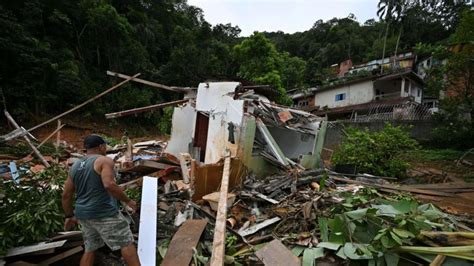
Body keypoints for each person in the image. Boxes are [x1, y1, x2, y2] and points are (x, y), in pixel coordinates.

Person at [62, 134, 140, 266]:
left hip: (83, 215)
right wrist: (128, 201)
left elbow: (66, 194)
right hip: (103, 213)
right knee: (126, 243)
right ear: (101, 147)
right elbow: (109, 184)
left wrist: (69, 215)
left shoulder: (75, 166)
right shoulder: (104, 161)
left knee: (90, 248)